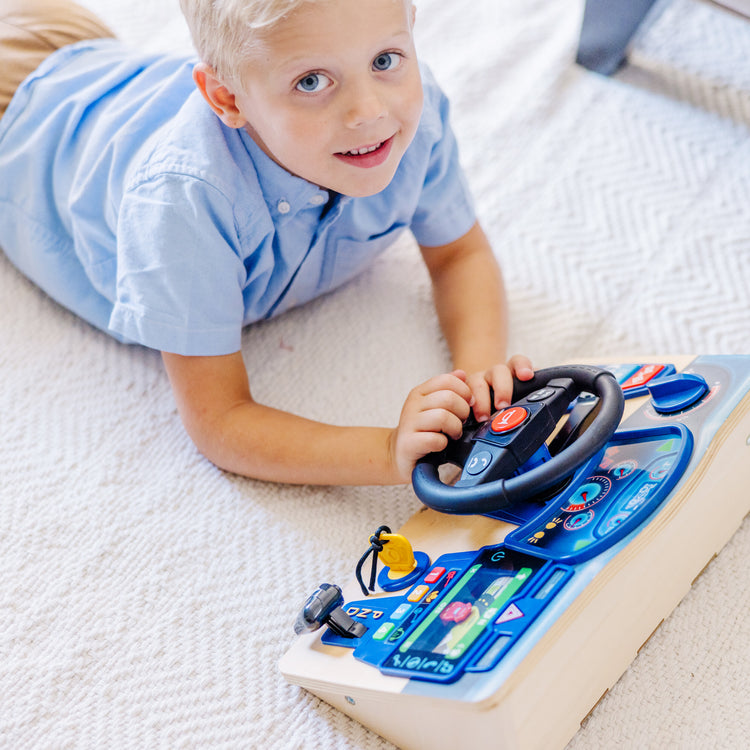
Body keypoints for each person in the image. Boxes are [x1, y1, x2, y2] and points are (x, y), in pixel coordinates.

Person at [0, 0, 533, 486]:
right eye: (311, 82)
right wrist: (387, 449)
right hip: (19, 114)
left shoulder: (417, 120)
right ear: (226, 99)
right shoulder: (183, 206)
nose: (369, 110)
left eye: (386, 59)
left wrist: (480, 374)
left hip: (88, 57)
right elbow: (220, 421)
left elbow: (459, 255)